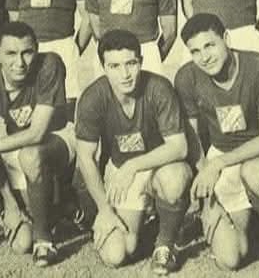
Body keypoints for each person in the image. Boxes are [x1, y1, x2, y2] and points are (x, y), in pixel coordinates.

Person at [174, 13, 259, 277]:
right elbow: (193, 137)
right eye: (195, 51)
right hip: (220, 156)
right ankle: (248, 222)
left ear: (226, 39)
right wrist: (204, 174)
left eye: (210, 45)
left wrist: (217, 164)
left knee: (255, 173)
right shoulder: (187, 77)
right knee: (230, 259)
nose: (204, 57)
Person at [0, 21, 77, 267]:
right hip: (15, 148)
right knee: (21, 243)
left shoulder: (49, 64)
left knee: (31, 156)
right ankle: (0, 207)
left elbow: (37, 133)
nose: (19, 62)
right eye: (10, 53)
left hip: (57, 139)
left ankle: (45, 239)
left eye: (27, 52)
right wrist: (9, 204)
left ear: (37, 50)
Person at [75, 29, 192, 275]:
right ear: (104, 66)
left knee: (174, 179)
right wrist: (105, 211)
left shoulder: (158, 88)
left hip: (159, 165)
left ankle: (165, 244)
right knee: (117, 253)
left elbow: (179, 147)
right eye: (115, 66)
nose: (125, 74)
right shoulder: (93, 97)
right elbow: (85, 157)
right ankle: (154, 222)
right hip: (121, 171)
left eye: (131, 63)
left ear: (141, 61)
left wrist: (133, 165)